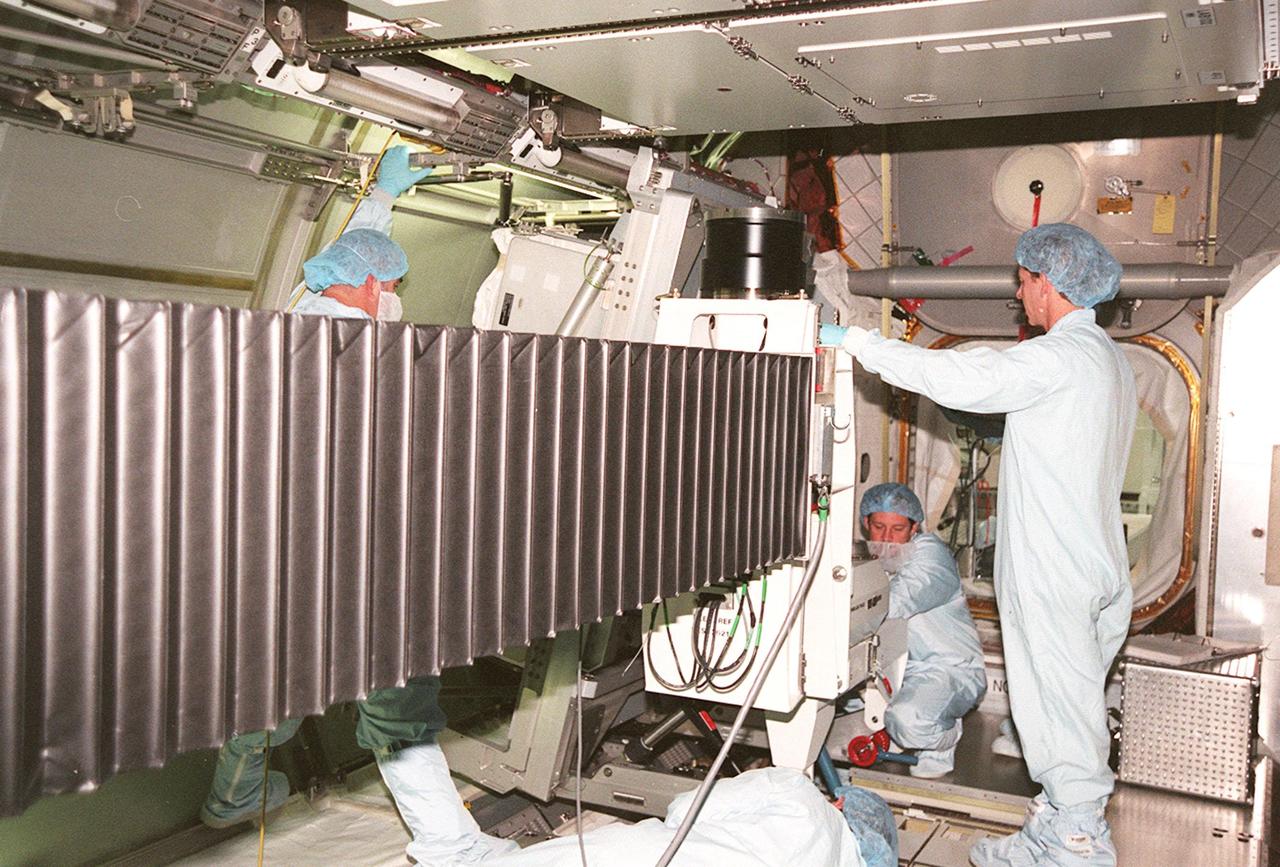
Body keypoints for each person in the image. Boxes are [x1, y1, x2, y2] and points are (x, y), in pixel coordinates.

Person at [201, 145, 517, 865]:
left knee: (270, 680)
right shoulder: (343, 346)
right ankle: (449, 842)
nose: (395, 295)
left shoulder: (295, 319)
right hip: (346, 550)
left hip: (276, 550)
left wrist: (380, 196)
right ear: (371, 284)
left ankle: (231, 796)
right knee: (397, 697)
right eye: (393, 283)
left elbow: (353, 259)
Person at [820, 224, 1136, 867]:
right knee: (1073, 700)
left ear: (1049, 282)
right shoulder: (1110, 360)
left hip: (1056, 566)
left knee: (1056, 700)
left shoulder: (1060, 356)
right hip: (1098, 561)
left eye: (1024, 282)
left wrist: (856, 341)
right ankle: (1056, 823)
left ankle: (1075, 839)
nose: (1021, 297)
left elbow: (962, 374)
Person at [859, 482, 985, 779]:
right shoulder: (871, 557)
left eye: (898, 529)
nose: (887, 538)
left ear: (915, 527)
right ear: (866, 523)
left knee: (907, 723)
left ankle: (945, 737)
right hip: (895, 669)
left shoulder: (932, 557)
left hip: (949, 669)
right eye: (878, 526)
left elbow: (896, 602)